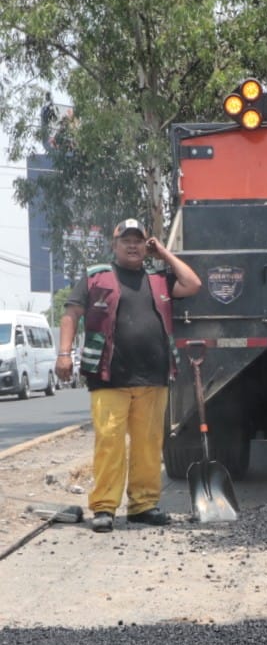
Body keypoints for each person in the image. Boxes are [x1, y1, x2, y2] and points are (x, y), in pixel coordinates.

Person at [57, 219, 202, 532]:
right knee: (109, 443)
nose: (133, 245)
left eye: (139, 240)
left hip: (154, 377)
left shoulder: (159, 279)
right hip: (108, 378)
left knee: (149, 445)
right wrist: (64, 354)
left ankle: (143, 506)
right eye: (126, 240)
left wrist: (164, 253)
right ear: (115, 245)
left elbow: (193, 284)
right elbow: (71, 313)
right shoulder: (96, 277)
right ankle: (105, 508)